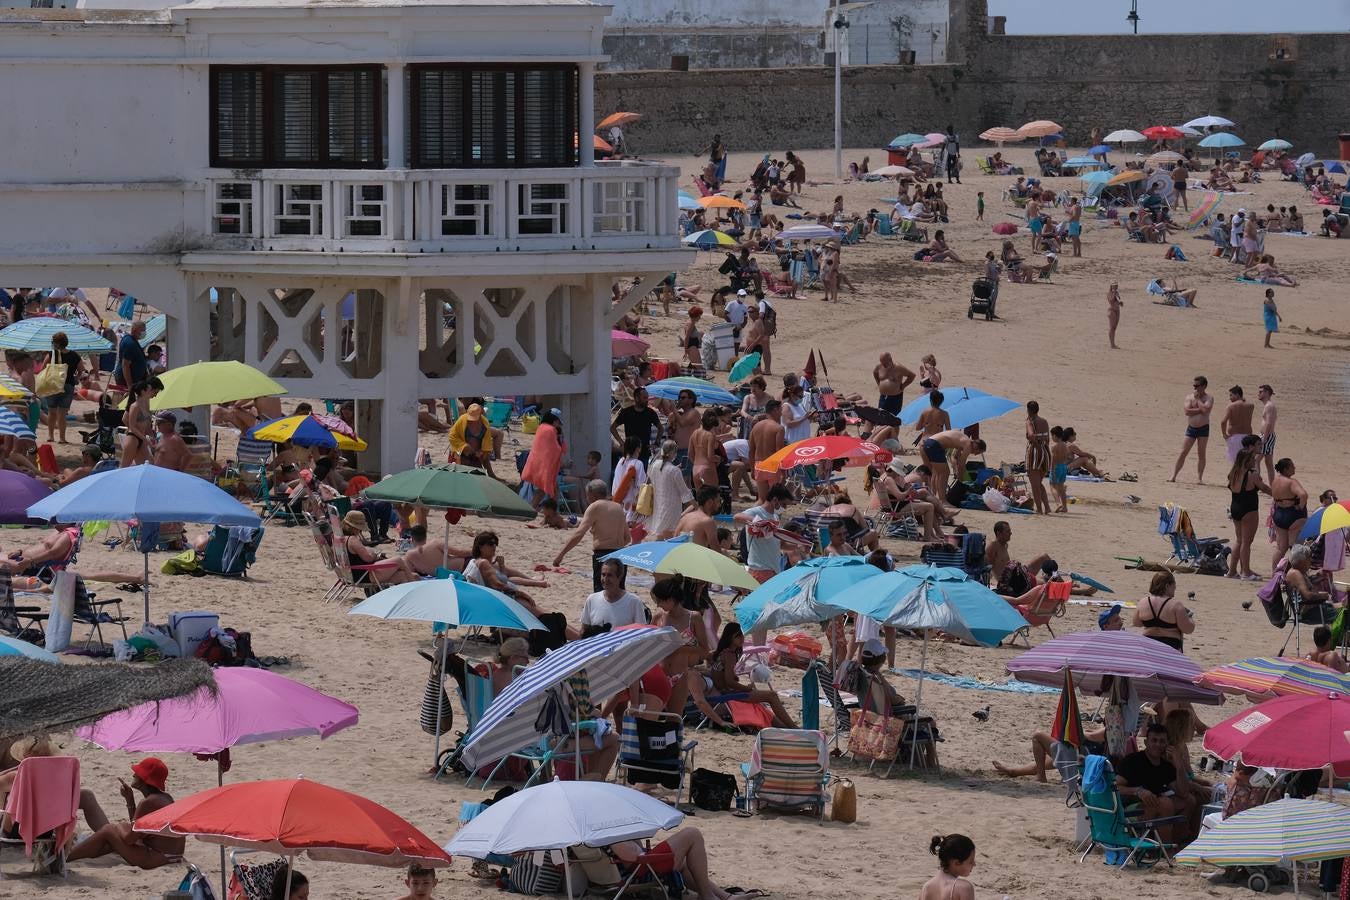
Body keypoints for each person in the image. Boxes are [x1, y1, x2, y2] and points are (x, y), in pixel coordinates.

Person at [67, 758, 185, 869]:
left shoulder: (148, 802)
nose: (134, 775)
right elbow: (138, 830)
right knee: (115, 833)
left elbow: (130, 839)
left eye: (137, 774)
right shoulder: (165, 798)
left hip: (158, 858)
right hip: (172, 856)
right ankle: (75, 854)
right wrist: (130, 800)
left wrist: (118, 828)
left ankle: (67, 857)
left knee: (108, 830)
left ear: (144, 779)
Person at [609, 826, 742, 900]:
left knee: (684, 862)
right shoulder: (608, 833)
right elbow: (633, 856)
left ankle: (724, 896)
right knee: (692, 834)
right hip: (637, 872)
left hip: (631, 869)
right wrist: (626, 833)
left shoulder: (594, 832)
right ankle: (709, 896)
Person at [1115, 723, 1195, 844]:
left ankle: (1177, 843)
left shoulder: (1165, 766)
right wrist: (1137, 791)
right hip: (1129, 809)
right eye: (1154, 740)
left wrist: (1179, 765)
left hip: (1151, 804)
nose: (1158, 744)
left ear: (1167, 744)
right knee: (1165, 803)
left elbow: (1183, 792)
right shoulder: (1133, 761)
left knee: (1189, 801)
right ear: (1146, 742)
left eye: (1162, 741)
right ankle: (1164, 849)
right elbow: (1115, 787)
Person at [709, 623, 796, 727]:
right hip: (727, 693)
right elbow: (729, 682)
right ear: (730, 638)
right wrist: (746, 689)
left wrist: (733, 677)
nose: (742, 638)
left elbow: (723, 674)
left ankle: (784, 726)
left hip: (722, 691)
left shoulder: (723, 652)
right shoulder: (730, 655)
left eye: (742, 635)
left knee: (764, 699)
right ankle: (792, 726)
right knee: (772, 696)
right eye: (737, 636)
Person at [553, 479, 630, 591]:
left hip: (603, 556)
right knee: (619, 594)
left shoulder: (595, 506)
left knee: (602, 595)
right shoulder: (618, 507)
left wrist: (561, 555)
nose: (587, 499)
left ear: (592, 495)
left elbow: (579, 533)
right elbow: (627, 538)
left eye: (587, 496)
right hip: (621, 556)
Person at [1226, 437, 1268, 580]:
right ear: (1247, 460)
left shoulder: (1234, 473)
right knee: (1247, 542)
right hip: (1249, 508)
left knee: (1239, 540)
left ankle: (1232, 571)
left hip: (1235, 507)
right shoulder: (1252, 474)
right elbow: (1264, 488)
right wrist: (1279, 496)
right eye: (1251, 459)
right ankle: (1245, 572)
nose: (1253, 461)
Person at [579, 559, 647, 632]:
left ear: (620, 577)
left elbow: (641, 633)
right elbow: (584, 630)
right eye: (603, 574)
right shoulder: (592, 599)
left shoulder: (634, 602)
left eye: (610, 575)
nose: (605, 579)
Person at [1131, 571, 1192, 651]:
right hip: (1170, 646)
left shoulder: (1143, 602)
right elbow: (1188, 629)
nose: (1175, 588)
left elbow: (1137, 623)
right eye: (1174, 585)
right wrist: (1190, 617)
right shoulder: (1176, 605)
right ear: (1167, 586)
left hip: (1148, 645)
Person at [1169, 375, 1214, 483]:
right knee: (1183, 452)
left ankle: (1199, 478)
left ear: (1204, 386)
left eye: (1197, 386)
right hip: (1191, 428)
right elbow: (1187, 411)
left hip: (1203, 428)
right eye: (1194, 385)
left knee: (1201, 453)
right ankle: (1173, 475)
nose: (1195, 388)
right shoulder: (1189, 397)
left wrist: (1198, 400)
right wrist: (1200, 409)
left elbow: (1206, 411)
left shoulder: (1209, 398)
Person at [644, 439, 692, 539]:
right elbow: (685, 492)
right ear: (673, 453)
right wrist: (695, 504)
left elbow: (652, 479)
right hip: (672, 507)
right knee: (669, 534)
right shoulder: (674, 471)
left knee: (659, 532)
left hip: (658, 504)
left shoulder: (654, 465)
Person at [42, 331, 83, 444]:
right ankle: (62, 438)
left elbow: (43, 368)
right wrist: (77, 378)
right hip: (68, 385)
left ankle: (50, 436)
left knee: (52, 412)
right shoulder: (74, 355)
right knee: (62, 414)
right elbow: (81, 369)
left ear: (56, 343)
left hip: (53, 384)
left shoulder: (52, 354)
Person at [519, 409, 565, 506]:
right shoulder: (551, 430)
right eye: (558, 422)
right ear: (554, 420)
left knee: (551, 488)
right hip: (543, 467)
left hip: (536, 464)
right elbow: (556, 449)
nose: (558, 424)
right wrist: (560, 439)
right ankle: (535, 508)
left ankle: (550, 508)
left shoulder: (541, 427)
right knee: (542, 490)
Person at [1270, 457, 1308, 572]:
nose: (1294, 467)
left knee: (1281, 548)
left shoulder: (1275, 480)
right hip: (1293, 515)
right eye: (1292, 466)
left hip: (1279, 514)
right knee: (1295, 547)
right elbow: (1303, 494)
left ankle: (1274, 573)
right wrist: (1300, 507)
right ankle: (1295, 574)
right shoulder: (1292, 482)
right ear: (1286, 469)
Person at [610, 387, 661, 465]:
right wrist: (621, 443)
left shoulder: (650, 413)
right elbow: (613, 428)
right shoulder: (626, 412)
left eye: (647, 397)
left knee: (641, 475)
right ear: (636, 398)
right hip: (629, 451)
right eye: (644, 398)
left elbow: (661, 428)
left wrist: (657, 442)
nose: (647, 400)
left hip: (644, 452)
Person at [747, 400, 785, 503]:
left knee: (761, 499)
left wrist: (752, 468)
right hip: (773, 465)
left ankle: (753, 517)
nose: (782, 413)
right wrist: (783, 471)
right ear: (775, 410)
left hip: (759, 464)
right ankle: (773, 519)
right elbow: (779, 452)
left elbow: (751, 450)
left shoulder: (756, 427)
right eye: (781, 410)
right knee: (775, 499)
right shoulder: (778, 428)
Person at [120, 376, 163, 467]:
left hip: (142, 438)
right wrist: (134, 430)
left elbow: (146, 423)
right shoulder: (135, 405)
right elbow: (125, 419)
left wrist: (151, 436)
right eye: (155, 392)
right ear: (148, 388)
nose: (155, 395)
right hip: (134, 438)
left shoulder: (146, 402)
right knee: (123, 468)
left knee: (149, 466)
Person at [920, 834, 976, 900]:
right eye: (971, 861)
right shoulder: (964, 888)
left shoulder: (926, 887)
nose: (974, 864)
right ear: (957, 863)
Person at [401, 524, 471, 577]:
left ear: (412, 539)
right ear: (425, 537)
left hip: (451, 575)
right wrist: (476, 551)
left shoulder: (409, 555)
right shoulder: (435, 544)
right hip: (464, 565)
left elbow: (411, 575)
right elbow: (460, 552)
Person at [675, 486, 723, 551]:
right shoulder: (707, 521)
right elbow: (716, 550)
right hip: (695, 559)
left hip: (680, 556)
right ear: (710, 502)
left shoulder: (685, 518)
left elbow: (674, 539)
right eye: (718, 501)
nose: (719, 505)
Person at [1024, 400, 1050, 515]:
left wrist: (1034, 444)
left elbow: (1030, 435)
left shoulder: (1030, 421)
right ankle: (1047, 507)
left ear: (1029, 410)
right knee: (1039, 482)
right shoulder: (1044, 421)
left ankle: (1039, 509)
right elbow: (1047, 439)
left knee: (1034, 484)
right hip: (1045, 452)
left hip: (1035, 452)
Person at [874, 352, 916, 418]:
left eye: (885, 363)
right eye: (882, 362)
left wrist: (904, 386)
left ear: (890, 359)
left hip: (895, 398)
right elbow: (875, 373)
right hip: (883, 397)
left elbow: (912, 375)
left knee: (894, 419)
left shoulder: (899, 368)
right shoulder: (879, 366)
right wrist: (879, 383)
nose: (883, 365)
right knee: (881, 417)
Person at [1220, 385, 1255, 463]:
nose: (1230, 398)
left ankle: (1236, 475)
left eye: (1231, 395)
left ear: (1237, 395)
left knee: (1236, 462)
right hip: (1248, 436)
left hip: (1235, 437)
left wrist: (1224, 434)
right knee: (1247, 462)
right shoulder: (1251, 405)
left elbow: (1223, 421)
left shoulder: (1231, 406)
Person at [114, 320, 148, 390]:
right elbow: (125, 365)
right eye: (142, 331)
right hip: (126, 381)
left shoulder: (132, 340)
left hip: (135, 380)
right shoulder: (130, 343)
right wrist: (130, 385)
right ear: (134, 330)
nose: (144, 333)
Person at [1256, 383, 1278, 482]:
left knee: (1256, 460)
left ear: (1267, 393)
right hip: (1267, 435)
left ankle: (1257, 484)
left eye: (1261, 392)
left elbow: (1269, 423)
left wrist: (1264, 439)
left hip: (1266, 436)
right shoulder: (1268, 405)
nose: (1258, 394)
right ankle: (1272, 486)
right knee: (1268, 462)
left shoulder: (1269, 406)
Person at [1048, 426, 1070, 514]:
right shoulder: (1065, 445)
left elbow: (1053, 459)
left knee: (1053, 486)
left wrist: (1052, 470)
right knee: (1061, 487)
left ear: (1055, 436)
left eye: (1052, 436)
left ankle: (1058, 504)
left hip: (1056, 467)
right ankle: (1065, 507)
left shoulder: (1054, 446)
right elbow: (1067, 457)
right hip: (1063, 467)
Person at [1106, 281, 1122, 349]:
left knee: (1114, 328)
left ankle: (1113, 343)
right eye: (1114, 285)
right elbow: (1111, 300)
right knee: (1111, 327)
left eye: (1117, 286)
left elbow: (1118, 300)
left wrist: (1120, 303)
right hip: (1112, 311)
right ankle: (1112, 344)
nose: (1116, 287)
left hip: (1117, 310)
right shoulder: (1109, 293)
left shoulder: (1117, 292)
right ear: (1111, 286)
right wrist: (1114, 293)